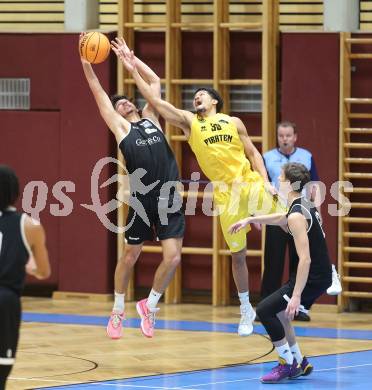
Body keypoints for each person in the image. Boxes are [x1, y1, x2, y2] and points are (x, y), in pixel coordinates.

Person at [117, 46, 284, 336]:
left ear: (215, 100)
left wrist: (266, 179)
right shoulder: (190, 123)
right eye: (196, 95)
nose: (197, 96)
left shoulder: (233, 122)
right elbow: (155, 98)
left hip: (249, 183)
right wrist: (133, 68)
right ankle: (246, 308)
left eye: (203, 94)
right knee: (239, 255)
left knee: (289, 220)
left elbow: (254, 153)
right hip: (225, 195)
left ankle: (324, 267)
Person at [80, 35, 185, 340]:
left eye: (124, 99)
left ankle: (149, 305)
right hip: (142, 199)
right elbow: (98, 92)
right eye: (118, 103)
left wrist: (131, 60)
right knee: (129, 256)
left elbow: (154, 81)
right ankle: (117, 311)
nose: (122, 102)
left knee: (174, 257)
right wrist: (88, 66)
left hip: (168, 197)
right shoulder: (120, 127)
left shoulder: (152, 117)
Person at [229, 162, 332, 383]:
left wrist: (296, 296)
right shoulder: (301, 205)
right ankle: (299, 361)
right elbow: (281, 218)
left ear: (289, 183)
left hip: (313, 277)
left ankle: (287, 364)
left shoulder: (297, 215)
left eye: (281, 178)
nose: (278, 181)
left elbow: (305, 259)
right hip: (319, 275)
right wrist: (250, 219)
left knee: (265, 310)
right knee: (280, 313)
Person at [262, 122, 341, 321]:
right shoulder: (267, 157)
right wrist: (254, 215)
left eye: (288, 135)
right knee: (273, 262)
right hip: (278, 212)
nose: (284, 139)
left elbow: (315, 187)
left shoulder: (306, 156)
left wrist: (319, 213)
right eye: (281, 135)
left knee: (301, 259)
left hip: (299, 213)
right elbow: (262, 186)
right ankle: (267, 305)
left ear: (295, 136)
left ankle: (298, 305)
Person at [0, 165, 51, 389]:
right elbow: (44, 272)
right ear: (15, 192)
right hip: (6, 301)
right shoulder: (30, 225)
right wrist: (27, 267)